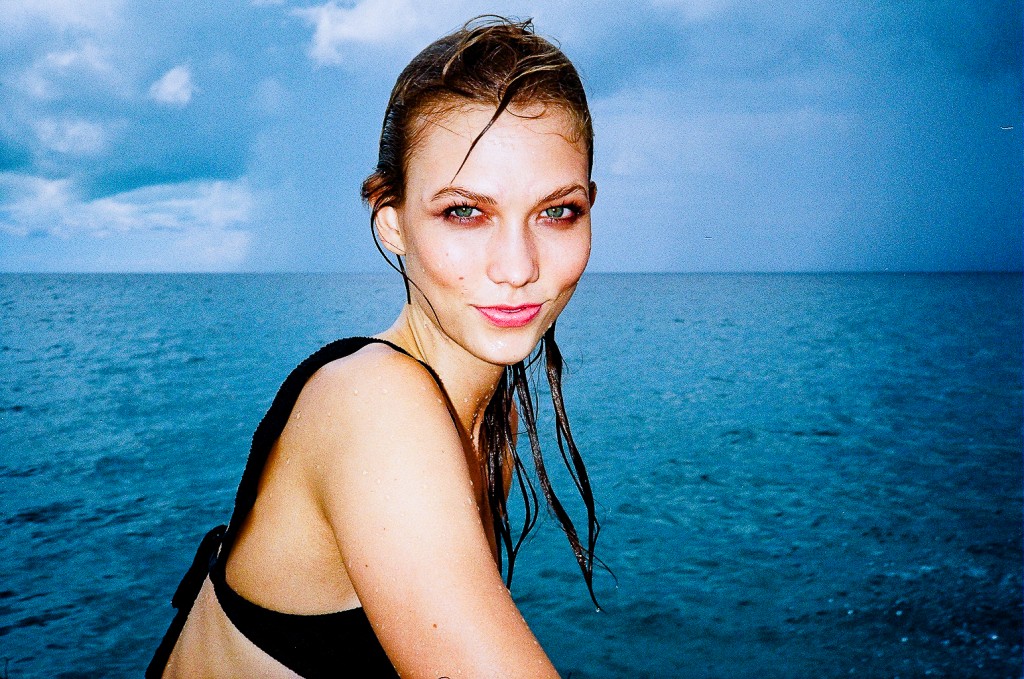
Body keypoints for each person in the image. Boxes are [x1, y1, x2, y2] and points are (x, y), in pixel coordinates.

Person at [148, 15, 602, 678]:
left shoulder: (489, 419)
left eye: (557, 211)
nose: (517, 266)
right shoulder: (374, 405)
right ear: (392, 222)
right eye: (465, 212)